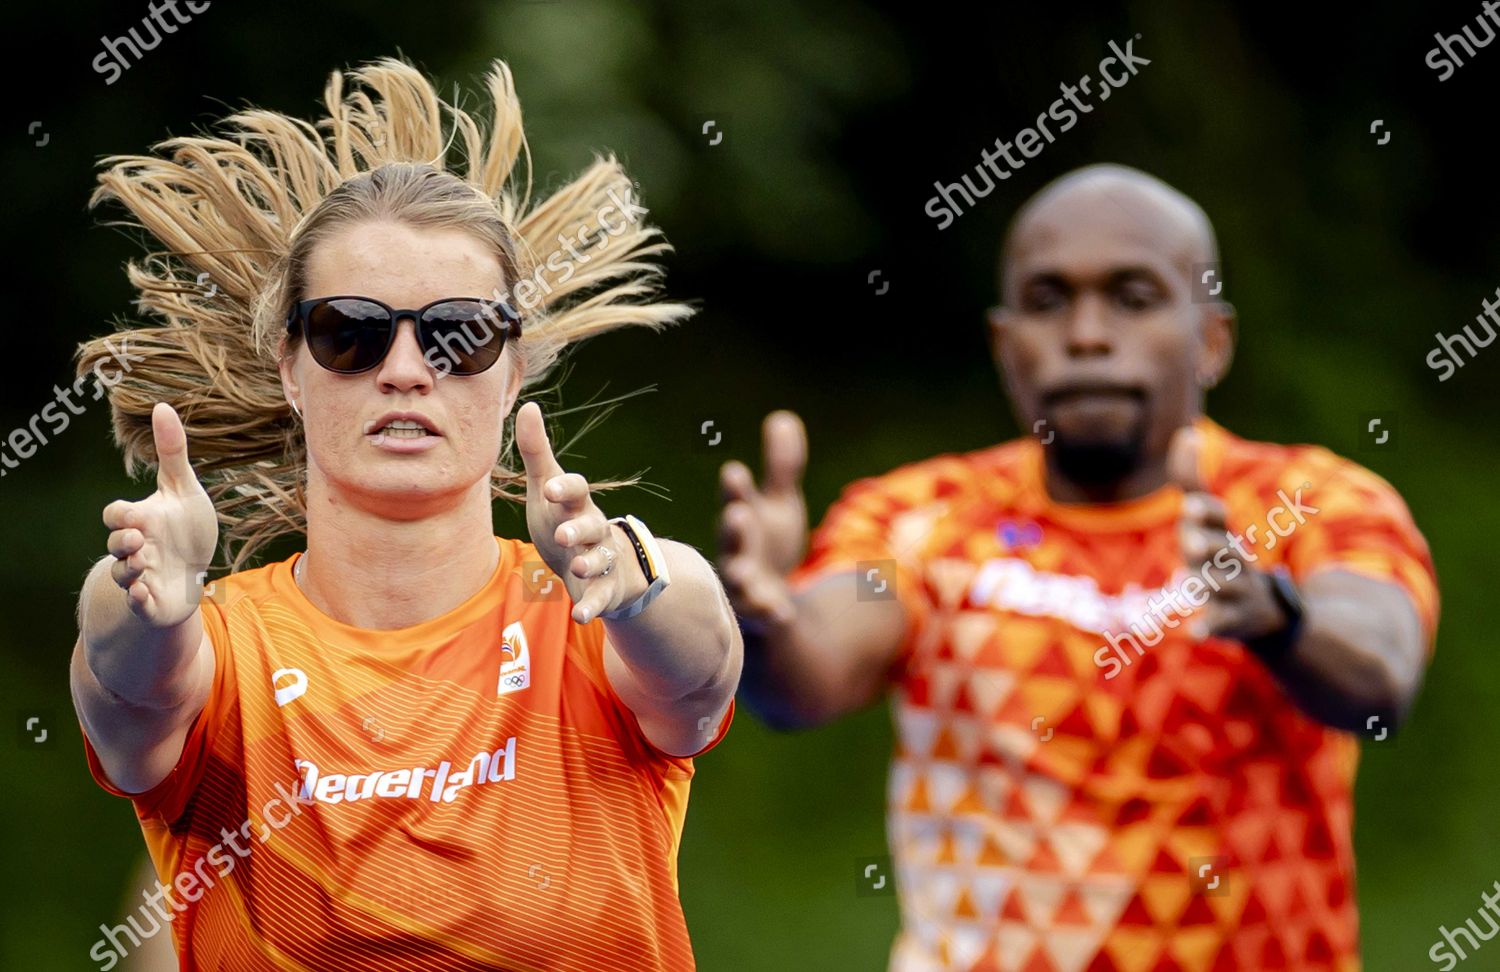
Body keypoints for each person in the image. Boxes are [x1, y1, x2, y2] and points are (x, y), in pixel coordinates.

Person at [71, 56, 740, 971]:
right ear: (288, 366)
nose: (406, 368)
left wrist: (637, 581)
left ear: (514, 368)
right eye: (351, 331)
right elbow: (124, 682)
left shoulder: (592, 620)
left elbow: (702, 669)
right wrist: (142, 598)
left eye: (459, 333)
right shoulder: (221, 648)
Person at [717, 164, 1438, 970]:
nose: (1087, 334)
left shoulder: (1313, 502)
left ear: (1212, 339)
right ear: (1004, 342)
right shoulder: (921, 516)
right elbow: (804, 682)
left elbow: (1381, 677)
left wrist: (1277, 617)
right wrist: (766, 615)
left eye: (1133, 298)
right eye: (1048, 300)